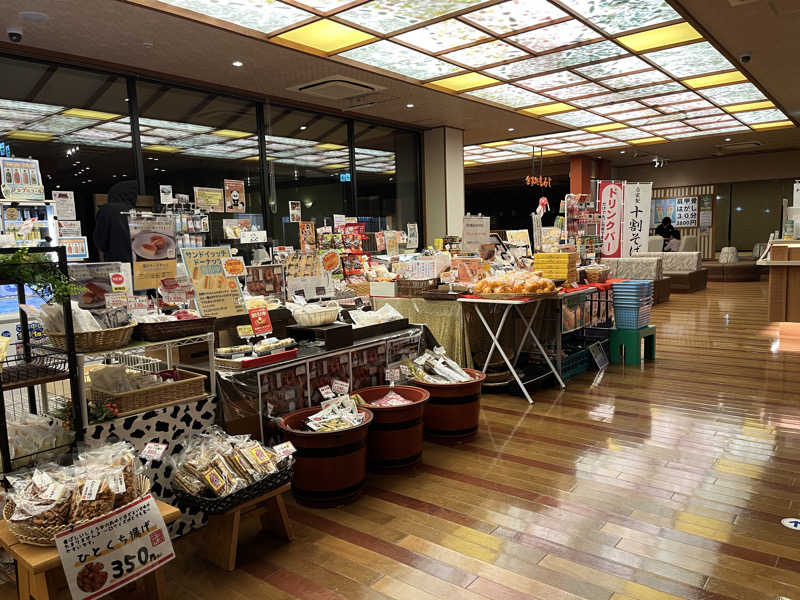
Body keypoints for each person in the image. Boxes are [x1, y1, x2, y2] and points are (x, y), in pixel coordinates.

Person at [94, 180, 138, 263]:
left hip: (116, 263)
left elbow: (101, 241)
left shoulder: (107, 210)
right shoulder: (134, 212)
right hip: (138, 265)